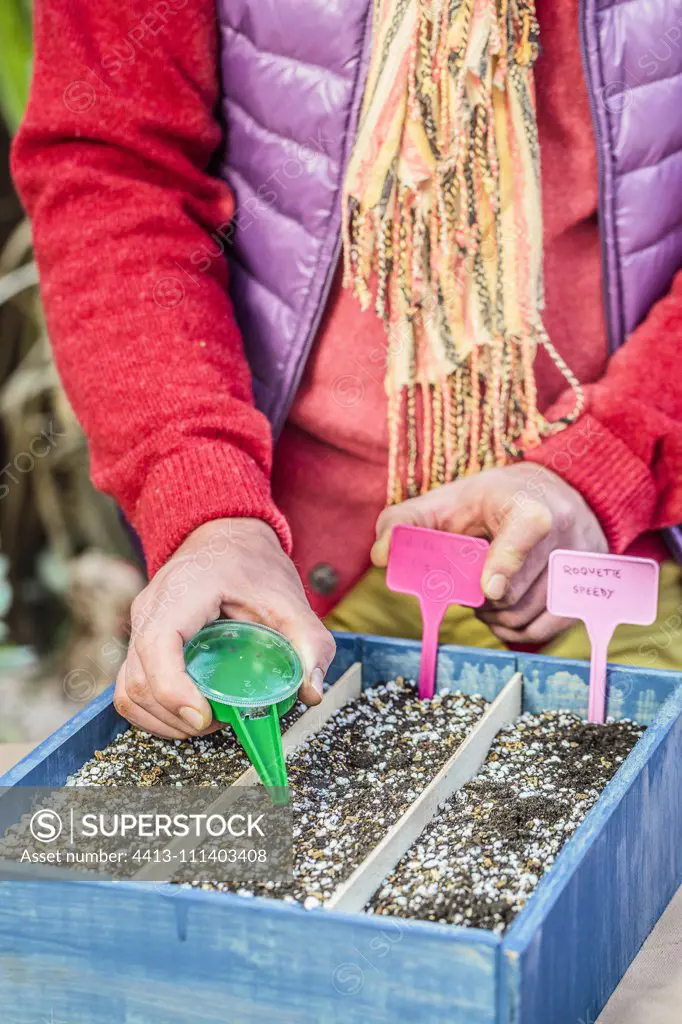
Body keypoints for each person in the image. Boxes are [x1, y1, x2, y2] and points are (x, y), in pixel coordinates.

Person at [12, 0, 682, 740]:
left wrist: (614, 459)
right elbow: (114, 165)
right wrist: (206, 507)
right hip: (284, 561)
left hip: (641, 535)